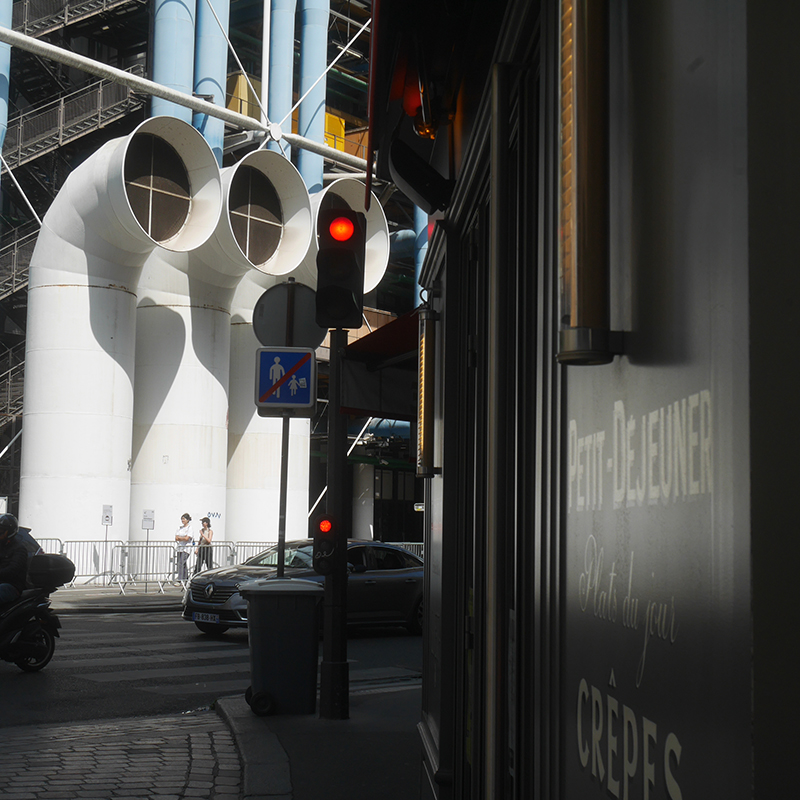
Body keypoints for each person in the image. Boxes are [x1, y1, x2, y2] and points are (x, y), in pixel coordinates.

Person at [0, 513, 28, 606]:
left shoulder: (19, 549)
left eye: (1, 531)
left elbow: (13, 570)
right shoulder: (1, 547)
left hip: (12, 586)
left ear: (10, 531)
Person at [174, 513, 194, 582]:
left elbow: (187, 538)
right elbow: (176, 538)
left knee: (181, 563)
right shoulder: (180, 528)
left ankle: (180, 579)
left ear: (188, 520)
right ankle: (186, 578)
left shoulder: (189, 528)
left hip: (186, 548)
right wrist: (182, 538)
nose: (182, 520)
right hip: (180, 548)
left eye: (184, 519)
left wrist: (181, 538)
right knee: (183, 563)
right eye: (182, 519)